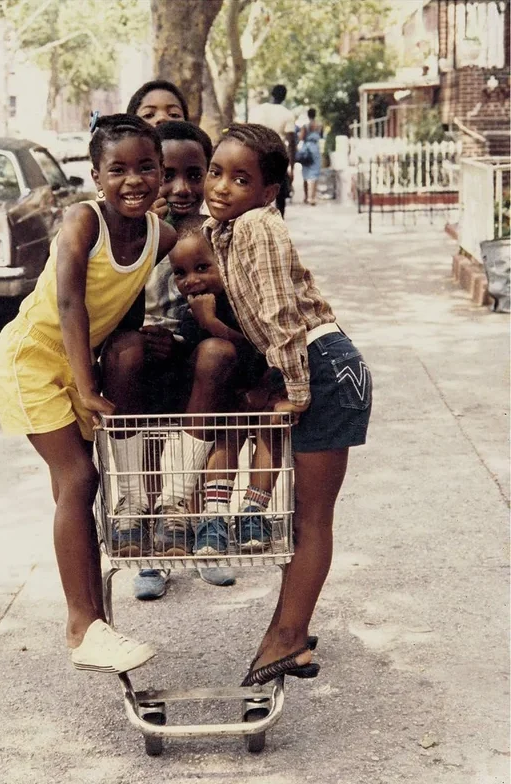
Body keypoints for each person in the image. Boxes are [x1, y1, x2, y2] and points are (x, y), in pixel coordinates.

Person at [0, 114, 177, 674]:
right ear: (96, 176)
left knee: (84, 486)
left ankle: (95, 622)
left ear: (162, 171)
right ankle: (81, 625)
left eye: (147, 167)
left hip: (78, 364)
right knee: (78, 478)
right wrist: (89, 385)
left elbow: (126, 295)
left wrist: (133, 341)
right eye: (117, 169)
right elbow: (71, 301)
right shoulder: (81, 220)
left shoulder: (159, 235)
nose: (134, 180)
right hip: (32, 359)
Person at [202, 123, 372, 686]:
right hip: (316, 364)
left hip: (324, 366)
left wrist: (295, 389)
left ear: (270, 190)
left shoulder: (255, 225)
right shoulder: (226, 228)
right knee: (305, 514)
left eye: (241, 179)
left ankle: (287, 638)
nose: (222, 187)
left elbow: (279, 315)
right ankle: (288, 629)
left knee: (310, 515)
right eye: (216, 172)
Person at [108, 82, 236, 596]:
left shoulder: (223, 232)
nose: (182, 188)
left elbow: (239, 311)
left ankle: (186, 515)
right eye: (170, 175)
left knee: (216, 355)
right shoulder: (133, 228)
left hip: (205, 359)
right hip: (143, 362)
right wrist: (137, 333)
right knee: (127, 355)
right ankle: (143, 526)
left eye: (195, 175)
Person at [170, 215, 289, 554]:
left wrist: (213, 323)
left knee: (270, 423)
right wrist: (199, 324)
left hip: (265, 381)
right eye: (180, 273)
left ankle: (254, 509)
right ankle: (216, 514)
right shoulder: (189, 312)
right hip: (226, 399)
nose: (192, 280)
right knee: (229, 427)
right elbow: (197, 364)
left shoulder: (246, 301)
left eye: (202, 267)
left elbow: (259, 346)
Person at [249, 84, 296, 217]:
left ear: (271, 94)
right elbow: (291, 143)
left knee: (256, 189)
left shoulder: (256, 111)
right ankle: (280, 221)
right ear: (284, 97)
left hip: (256, 154)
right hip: (277, 157)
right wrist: (291, 167)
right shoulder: (287, 114)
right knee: (280, 193)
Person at [298, 108, 323, 206]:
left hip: (306, 149)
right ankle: (312, 197)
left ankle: (306, 196)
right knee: (315, 173)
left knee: (305, 173)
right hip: (315, 149)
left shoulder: (305, 126)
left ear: (308, 115)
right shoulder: (319, 125)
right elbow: (320, 136)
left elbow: (301, 138)